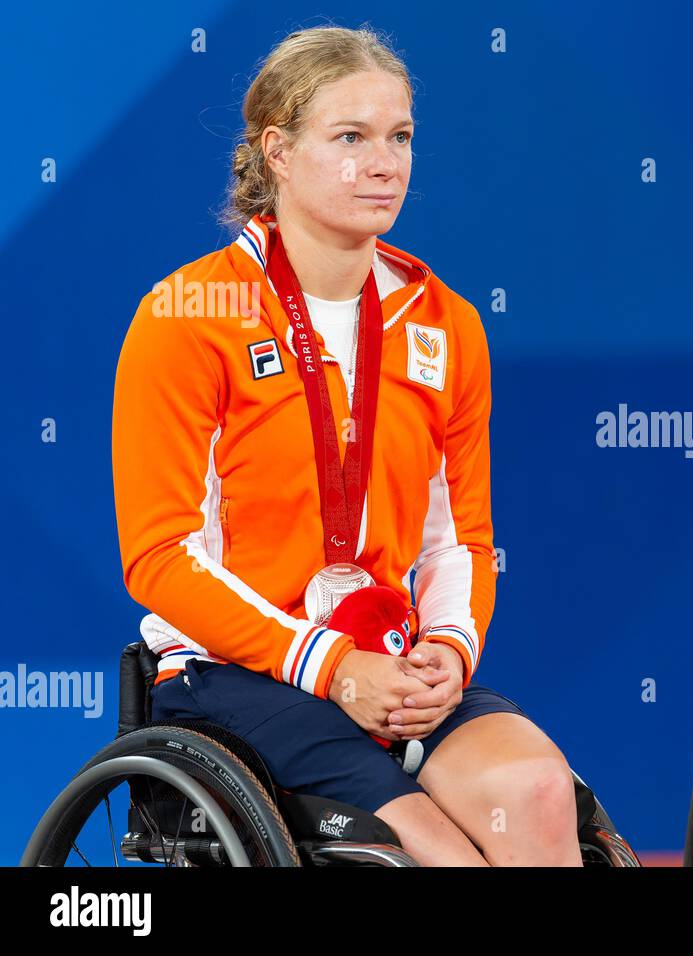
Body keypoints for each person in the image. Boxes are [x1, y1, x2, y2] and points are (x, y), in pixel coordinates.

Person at [112, 25, 582, 866]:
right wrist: (330, 665)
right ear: (279, 153)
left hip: (393, 661)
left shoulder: (445, 322)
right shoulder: (186, 316)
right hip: (237, 674)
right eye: (351, 138)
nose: (385, 162)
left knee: (539, 796)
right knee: (441, 856)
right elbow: (159, 556)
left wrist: (447, 649)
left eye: (400, 136)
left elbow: (457, 538)